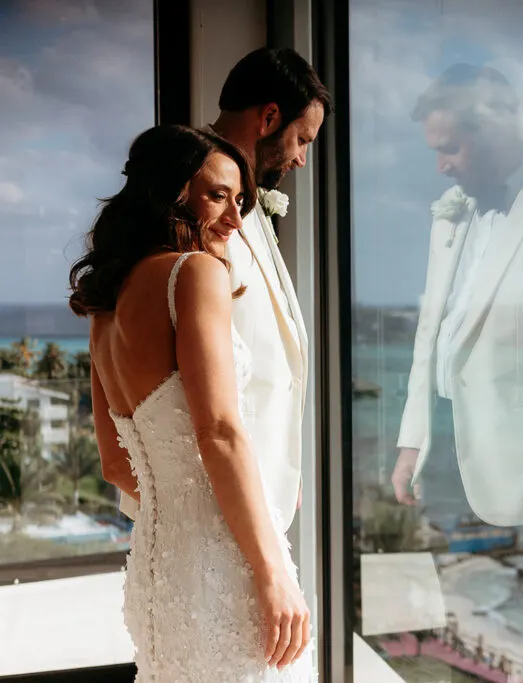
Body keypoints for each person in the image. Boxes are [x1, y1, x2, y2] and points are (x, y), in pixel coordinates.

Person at [69, 125, 313, 679]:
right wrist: (271, 570)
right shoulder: (196, 272)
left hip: (159, 570)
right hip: (225, 567)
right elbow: (220, 432)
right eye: (216, 196)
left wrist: (181, 505)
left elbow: (115, 463)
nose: (234, 219)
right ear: (169, 192)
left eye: (240, 200)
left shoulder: (104, 308)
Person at [117, 47, 333, 530]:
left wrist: (282, 467)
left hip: (254, 491)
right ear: (269, 117)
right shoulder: (191, 208)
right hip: (215, 505)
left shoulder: (239, 201)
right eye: (302, 139)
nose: (301, 158)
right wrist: (187, 512)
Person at [389, 63, 523, 567]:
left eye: (449, 148)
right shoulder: (451, 212)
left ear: (497, 130)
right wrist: (413, 441)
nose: (440, 166)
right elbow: (431, 333)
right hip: (447, 462)